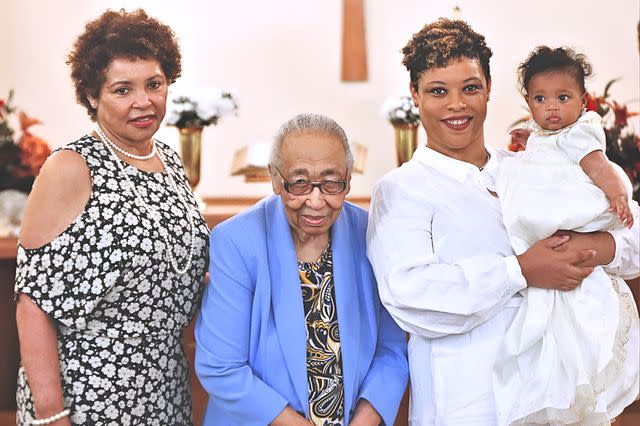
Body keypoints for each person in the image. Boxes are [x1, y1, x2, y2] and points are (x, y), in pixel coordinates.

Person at [365, 18, 640, 425]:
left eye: (470, 88)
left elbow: (632, 235)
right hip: (469, 404)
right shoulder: (401, 190)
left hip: (555, 398)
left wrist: (595, 247)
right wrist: (522, 271)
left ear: (489, 90)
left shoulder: (532, 165)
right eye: (438, 91)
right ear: (415, 96)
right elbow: (412, 297)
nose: (456, 104)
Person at [14, 9, 210, 425]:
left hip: (163, 390)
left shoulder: (170, 162)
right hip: (86, 396)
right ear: (91, 96)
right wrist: (52, 414)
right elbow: (32, 301)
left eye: (154, 84)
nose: (144, 101)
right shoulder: (71, 166)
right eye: (123, 89)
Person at [195, 113, 408, 426]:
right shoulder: (236, 241)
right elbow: (220, 367)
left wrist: (364, 420)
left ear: (348, 177)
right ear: (275, 179)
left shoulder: (370, 234)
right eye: (299, 183)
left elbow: (391, 350)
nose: (316, 200)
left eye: (331, 182)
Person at [491, 46, 639, 425]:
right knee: (556, 336)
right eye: (540, 98)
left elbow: (599, 167)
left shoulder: (580, 134)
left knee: (578, 334)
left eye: (562, 98)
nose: (551, 107)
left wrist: (618, 196)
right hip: (544, 251)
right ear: (528, 101)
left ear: (582, 101)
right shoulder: (538, 136)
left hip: (573, 223)